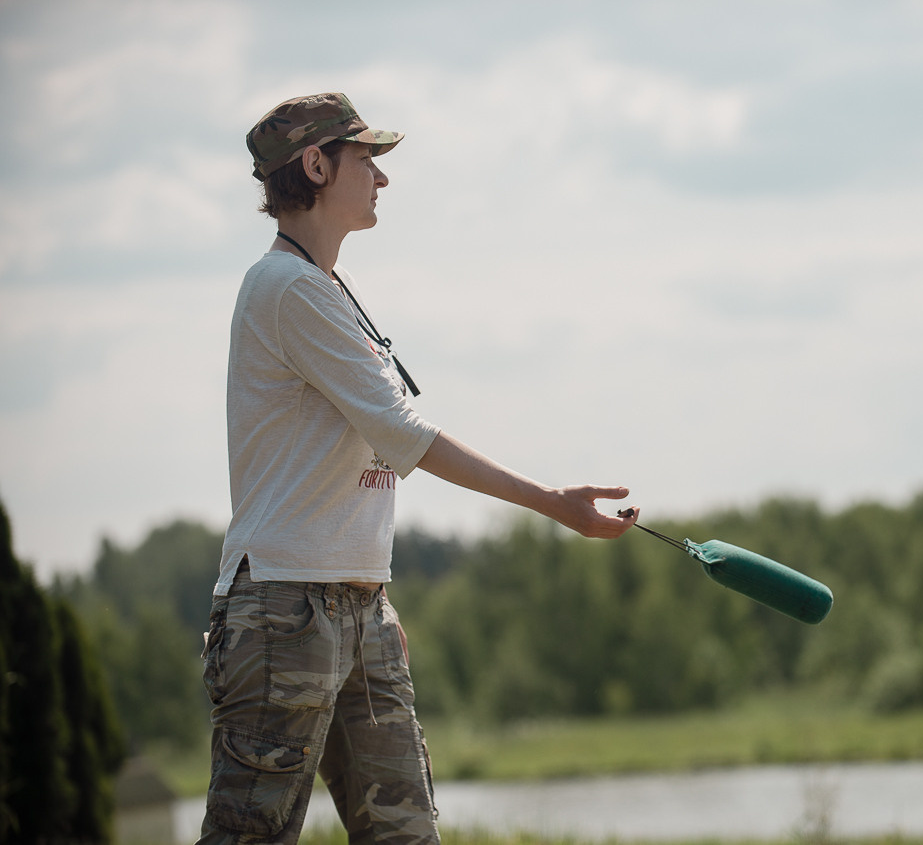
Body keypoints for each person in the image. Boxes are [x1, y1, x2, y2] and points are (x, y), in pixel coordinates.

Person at [199, 92, 637, 845]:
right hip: (284, 612)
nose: (382, 179)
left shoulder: (323, 289)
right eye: (368, 160)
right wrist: (551, 503)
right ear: (315, 163)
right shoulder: (288, 289)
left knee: (406, 835)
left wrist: (369, 602)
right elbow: (405, 434)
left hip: (358, 607)